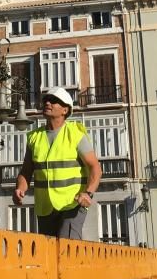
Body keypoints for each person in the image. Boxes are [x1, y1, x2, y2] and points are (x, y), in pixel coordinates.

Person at [13, 86, 102, 239]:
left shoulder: (75, 134)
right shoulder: (34, 137)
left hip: (72, 204)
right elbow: (26, 171)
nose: (48, 103)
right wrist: (20, 188)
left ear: (65, 110)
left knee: (66, 247)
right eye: (46, 100)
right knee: (48, 253)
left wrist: (88, 194)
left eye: (54, 101)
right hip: (45, 207)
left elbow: (95, 167)